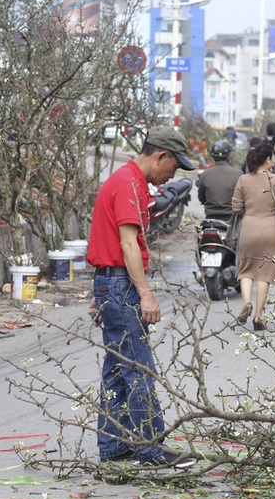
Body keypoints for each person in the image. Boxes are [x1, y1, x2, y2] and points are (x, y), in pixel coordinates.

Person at [87, 125, 198, 469]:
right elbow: (126, 243)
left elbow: (110, 243)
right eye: (174, 167)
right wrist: (145, 295)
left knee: (116, 370)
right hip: (120, 285)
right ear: (160, 156)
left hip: (111, 283)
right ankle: (151, 447)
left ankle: (114, 445)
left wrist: (101, 290)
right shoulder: (130, 184)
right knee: (138, 368)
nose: (171, 175)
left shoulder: (123, 180)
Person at [230, 141, 275, 331]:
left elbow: (236, 207)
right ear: (269, 160)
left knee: (246, 270)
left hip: (249, 226)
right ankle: (259, 316)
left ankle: (246, 302)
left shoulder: (243, 180)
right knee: (265, 273)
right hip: (270, 228)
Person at [197, 140, 241, 221]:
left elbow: (201, 198)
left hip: (210, 218)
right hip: (231, 219)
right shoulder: (238, 174)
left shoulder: (205, 174)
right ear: (228, 156)